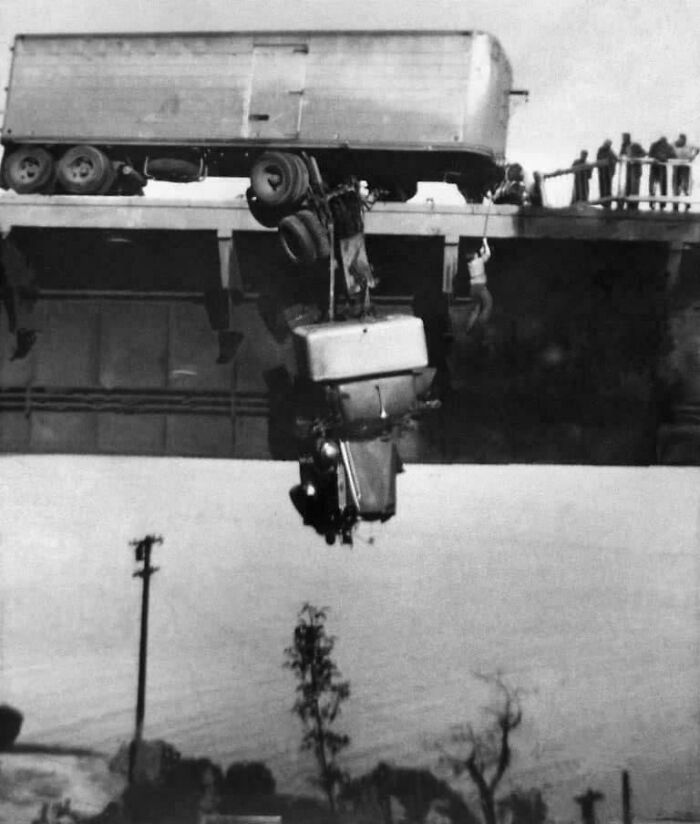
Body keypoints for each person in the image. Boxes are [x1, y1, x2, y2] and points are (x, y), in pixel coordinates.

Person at [466, 238, 493, 324]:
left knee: (475, 309)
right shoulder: (479, 261)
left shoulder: (471, 264)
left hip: (473, 288)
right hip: (480, 287)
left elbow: (483, 256)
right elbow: (488, 254)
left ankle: (469, 327)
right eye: (475, 253)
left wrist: (482, 252)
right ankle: (480, 324)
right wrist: (485, 243)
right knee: (488, 304)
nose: (476, 253)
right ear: (474, 256)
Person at [672, 133, 699, 212]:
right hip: (676, 166)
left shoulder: (689, 145)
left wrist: (693, 156)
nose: (682, 141)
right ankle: (675, 205)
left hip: (685, 166)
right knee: (676, 185)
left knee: (685, 185)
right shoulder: (674, 144)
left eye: (683, 140)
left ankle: (687, 204)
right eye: (681, 139)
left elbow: (697, 149)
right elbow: (669, 150)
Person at [647, 136, 676, 209]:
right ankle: (656, 203)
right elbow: (650, 155)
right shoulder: (658, 145)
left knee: (659, 186)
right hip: (656, 167)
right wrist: (661, 157)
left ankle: (659, 203)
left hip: (659, 167)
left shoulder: (666, 146)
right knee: (656, 186)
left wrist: (662, 157)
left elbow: (673, 155)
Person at [619, 133, 645, 209]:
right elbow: (620, 154)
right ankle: (628, 204)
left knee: (635, 186)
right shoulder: (624, 146)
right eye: (623, 138)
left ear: (628, 138)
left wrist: (635, 158)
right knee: (628, 185)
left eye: (624, 138)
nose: (623, 139)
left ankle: (634, 205)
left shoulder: (635, 145)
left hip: (636, 168)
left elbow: (644, 153)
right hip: (628, 168)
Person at [595, 139, 617, 207]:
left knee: (608, 186)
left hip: (608, 172)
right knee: (603, 186)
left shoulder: (610, 151)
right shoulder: (601, 150)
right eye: (607, 144)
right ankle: (604, 201)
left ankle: (607, 202)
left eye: (609, 144)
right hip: (602, 171)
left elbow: (615, 158)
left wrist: (611, 162)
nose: (608, 146)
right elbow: (598, 159)